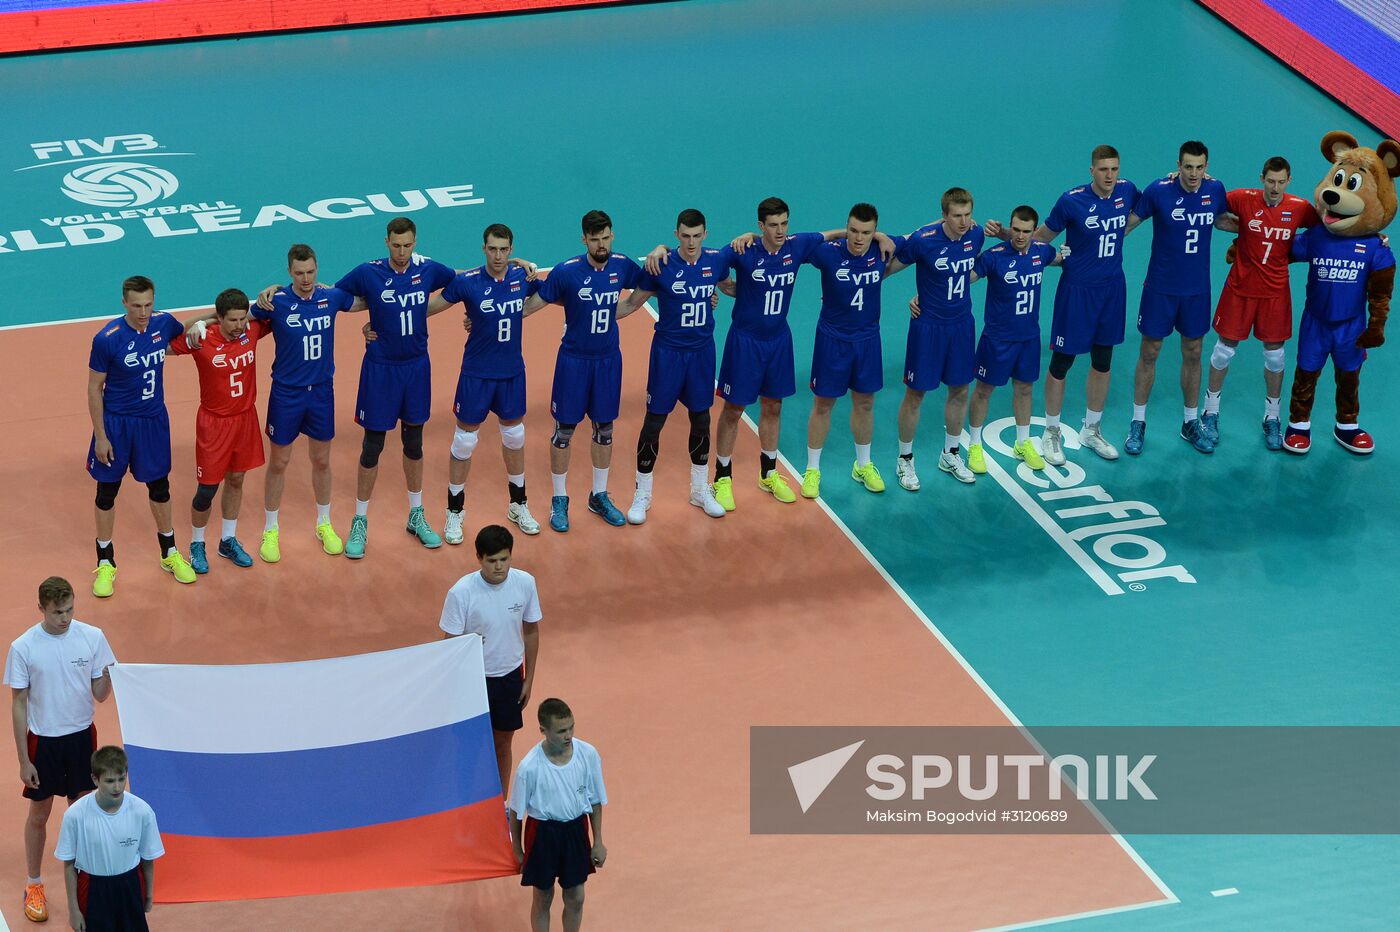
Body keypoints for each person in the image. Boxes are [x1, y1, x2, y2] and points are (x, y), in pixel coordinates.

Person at [992, 145, 1140, 464]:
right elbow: (1042, 238)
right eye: (1103, 170)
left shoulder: (1127, 190)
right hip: (1077, 291)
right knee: (1062, 363)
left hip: (1113, 290)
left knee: (1103, 360)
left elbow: (1150, 206)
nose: (1110, 175)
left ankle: (1092, 429)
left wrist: (1177, 177)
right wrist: (1008, 235)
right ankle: (1052, 431)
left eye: (1114, 169)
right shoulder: (1071, 200)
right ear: (1092, 171)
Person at [334, 217, 457, 558]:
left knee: (413, 443)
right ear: (386, 242)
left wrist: (429, 312)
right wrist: (368, 320)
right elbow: (333, 296)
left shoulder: (429, 270)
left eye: (408, 245)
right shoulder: (367, 272)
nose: (402, 252)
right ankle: (359, 521)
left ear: (415, 242)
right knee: (372, 446)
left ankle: (416, 515)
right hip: (380, 370)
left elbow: (465, 284)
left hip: (416, 368)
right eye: (396, 245)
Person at [520, 210, 643, 532]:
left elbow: (653, 284)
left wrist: (626, 306)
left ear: (612, 235)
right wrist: (487, 314)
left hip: (608, 361)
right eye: (594, 239)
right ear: (584, 239)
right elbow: (530, 305)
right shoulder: (567, 272)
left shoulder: (623, 266)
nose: (601, 244)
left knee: (605, 429)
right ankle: (559, 500)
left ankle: (599, 495)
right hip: (573, 362)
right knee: (564, 432)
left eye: (605, 238)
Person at [4, 577, 115, 924]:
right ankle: (33, 883)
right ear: (41, 609)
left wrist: (110, 674)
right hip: (44, 742)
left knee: (82, 813)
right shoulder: (23, 647)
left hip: (82, 738)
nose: (64, 618)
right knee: (39, 815)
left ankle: (84, 881)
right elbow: (19, 704)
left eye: (69, 609)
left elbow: (100, 694)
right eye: (56, 612)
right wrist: (24, 760)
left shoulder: (92, 637)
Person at [85, 276, 197, 597]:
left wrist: (213, 317)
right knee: (107, 492)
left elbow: (182, 329)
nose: (144, 311)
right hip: (117, 424)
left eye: (148, 304)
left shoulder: (162, 323)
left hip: (153, 422)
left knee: (160, 489)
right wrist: (101, 435)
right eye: (136, 306)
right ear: (124, 303)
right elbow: (94, 388)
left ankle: (169, 553)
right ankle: (105, 562)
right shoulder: (107, 339)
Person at [251, 244, 363, 562]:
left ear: (317, 268)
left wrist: (373, 328)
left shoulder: (332, 297)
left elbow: (368, 302)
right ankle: (270, 530)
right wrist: (264, 293)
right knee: (279, 462)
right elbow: (241, 317)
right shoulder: (276, 302)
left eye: (311, 271)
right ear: (289, 272)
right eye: (299, 273)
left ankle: (324, 523)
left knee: (322, 461)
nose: (306, 278)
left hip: (321, 393)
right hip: (286, 393)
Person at [616, 209, 728, 524]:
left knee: (702, 420)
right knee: (654, 423)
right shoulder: (660, 265)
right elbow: (631, 304)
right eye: (685, 235)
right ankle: (643, 495)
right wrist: (589, 315)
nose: (691, 242)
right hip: (668, 354)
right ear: (676, 234)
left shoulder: (715, 261)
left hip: (702, 353)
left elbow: (730, 286)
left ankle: (699, 490)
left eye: (697, 235)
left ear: (705, 234)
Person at [1203, 156, 1320, 449]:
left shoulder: (1299, 208)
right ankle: (1210, 412)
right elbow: (1210, 200)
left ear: (1289, 181)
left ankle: (1272, 417)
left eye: (1281, 182)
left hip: (1275, 293)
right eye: (1270, 181)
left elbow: (1331, 226)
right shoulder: (1244, 198)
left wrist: (1373, 236)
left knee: (1276, 356)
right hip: (1240, 289)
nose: (1275, 188)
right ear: (1262, 178)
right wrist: (1234, 224)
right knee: (1222, 352)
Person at [1122, 141, 1231, 455]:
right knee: (1150, 352)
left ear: (1206, 166)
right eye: (1188, 167)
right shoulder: (1159, 191)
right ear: (1178, 165)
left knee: (1194, 353)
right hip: (1160, 288)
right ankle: (1138, 422)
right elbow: (1129, 224)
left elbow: (1224, 219)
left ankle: (1189, 423)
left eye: (1200, 167)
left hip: (1196, 290)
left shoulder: (1215, 190)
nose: (1194, 173)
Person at [437, 224, 543, 540]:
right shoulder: (467, 283)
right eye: (492, 249)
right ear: (483, 248)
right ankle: (454, 512)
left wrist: (521, 266)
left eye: (504, 249)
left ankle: (518, 504)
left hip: (511, 373)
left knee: (514, 436)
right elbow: (428, 308)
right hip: (476, 374)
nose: (498, 255)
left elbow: (553, 293)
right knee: (464, 442)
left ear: (511, 250)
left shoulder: (521, 279)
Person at [800, 203, 907, 498]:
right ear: (847, 229)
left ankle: (862, 465)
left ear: (874, 231)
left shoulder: (880, 251)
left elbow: (924, 237)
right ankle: (812, 470)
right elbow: (795, 241)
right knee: (824, 404)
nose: (859, 238)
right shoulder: (828, 252)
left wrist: (883, 237)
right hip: (832, 340)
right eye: (854, 231)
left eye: (867, 232)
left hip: (868, 341)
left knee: (865, 403)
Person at [961, 205, 1067, 472]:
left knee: (1025, 389)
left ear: (1034, 231)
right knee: (984, 391)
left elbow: (1061, 258)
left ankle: (1023, 442)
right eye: (1016, 230)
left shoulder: (1042, 252)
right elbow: (964, 279)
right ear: (1011, 228)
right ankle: (974, 445)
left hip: (1029, 338)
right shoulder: (993, 257)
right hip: (997, 339)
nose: (1020, 236)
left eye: (1026, 231)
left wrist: (1069, 252)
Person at [168, 289, 268, 573]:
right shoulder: (201, 339)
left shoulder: (252, 330)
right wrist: (203, 319)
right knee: (207, 489)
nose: (239, 326)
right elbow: (166, 341)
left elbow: (281, 304)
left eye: (242, 319)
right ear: (219, 318)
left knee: (236, 480)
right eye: (232, 320)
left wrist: (270, 289)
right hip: (214, 424)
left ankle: (227, 540)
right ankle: (197, 543)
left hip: (245, 419)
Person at [892, 187, 985, 487]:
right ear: (943, 215)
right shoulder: (923, 241)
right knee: (915, 394)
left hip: (961, 326)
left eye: (968, 214)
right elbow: (887, 269)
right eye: (957, 215)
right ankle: (904, 460)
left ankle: (951, 453)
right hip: (928, 326)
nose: (963, 221)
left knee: (960, 390)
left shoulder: (976, 235)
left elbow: (965, 272)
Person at [439, 524, 541, 798]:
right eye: (492, 561)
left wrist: (528, 679)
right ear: (479, 558)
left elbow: (531, 630)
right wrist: (467, 643)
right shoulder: (461, 592)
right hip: (473, 681)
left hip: (509, 677)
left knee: (503, 743)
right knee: (469, 746)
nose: (499, 567)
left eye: (504, 559)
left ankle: (500, 804)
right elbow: (449, 645)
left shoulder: (525, 583)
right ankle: (466, 803)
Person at [508, 698, 606, 932]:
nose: (569, 734)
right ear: (543, 730)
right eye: (561, 730)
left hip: (575, 830)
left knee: (576, 897)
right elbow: (516, 812)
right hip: (543, 834)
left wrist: (598, 841)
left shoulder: (588, 754)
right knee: (543, 898)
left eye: (571, 727)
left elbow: (594, 801)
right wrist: (518, 851)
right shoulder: (529, 768)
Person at [56, 746, 163, 932]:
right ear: (95, 779)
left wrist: (149, 895)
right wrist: (73, 910)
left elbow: (147, 859)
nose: (117, 787)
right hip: (93, 890)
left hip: (130, 886)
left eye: (122, 779)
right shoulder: (75, 815)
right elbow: (69, 865)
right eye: (110, 781)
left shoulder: (142, 811)